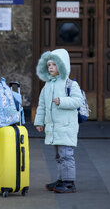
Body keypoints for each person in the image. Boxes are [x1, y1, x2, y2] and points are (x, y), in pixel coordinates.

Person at [33, 48, 83, 193]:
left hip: (66, 127)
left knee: (66, 155)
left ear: (62, 66)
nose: (50, 68)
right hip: (54, 128)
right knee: (59, 155)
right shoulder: (47, 86)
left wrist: (61, 101)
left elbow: (77, 101)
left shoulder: (70, 84)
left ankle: (69, 182)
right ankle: (61, 179)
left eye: (54, 65)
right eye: (49, 65)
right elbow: (42, 105)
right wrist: (39, 122)